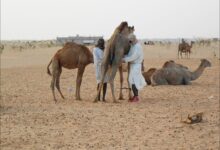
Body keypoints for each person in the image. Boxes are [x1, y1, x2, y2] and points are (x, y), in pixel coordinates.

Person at [122, 34, 146, 102]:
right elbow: (130, 55)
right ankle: (135, 96)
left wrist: (125, 60)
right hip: (132, 65)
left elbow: (134, 56)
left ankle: (136, 97)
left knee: (134, 81)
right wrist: (123, 56)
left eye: (130, 41)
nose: (130, 42)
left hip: (136, 65)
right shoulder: (133, 46)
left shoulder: (138, 46)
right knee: (131, 80)